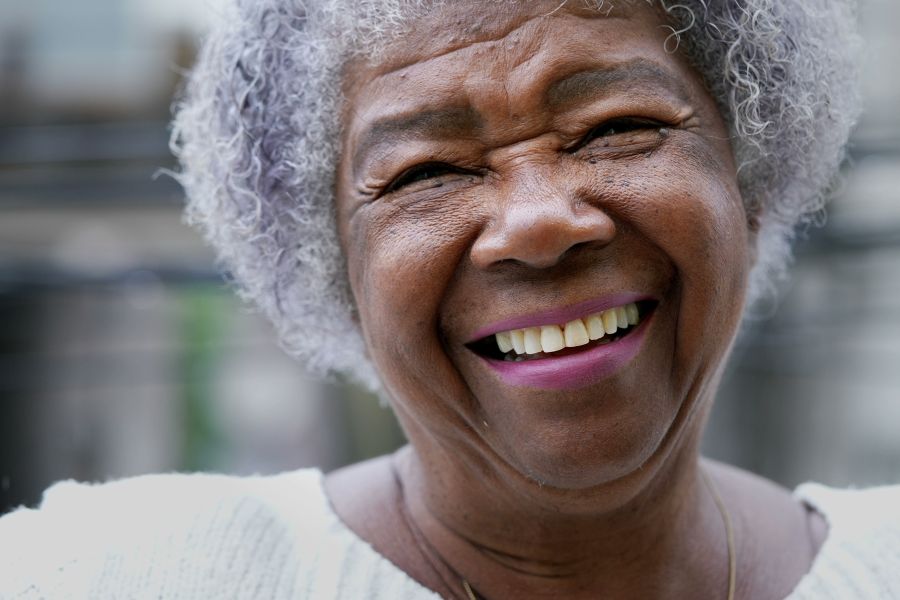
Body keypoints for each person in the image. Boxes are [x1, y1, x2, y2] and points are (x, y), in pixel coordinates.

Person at [2, 1, 898, 598]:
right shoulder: (114, 575)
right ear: (332, 270)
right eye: (426, 171)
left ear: (748, 179)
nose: (540, 222)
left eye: (617, 127)